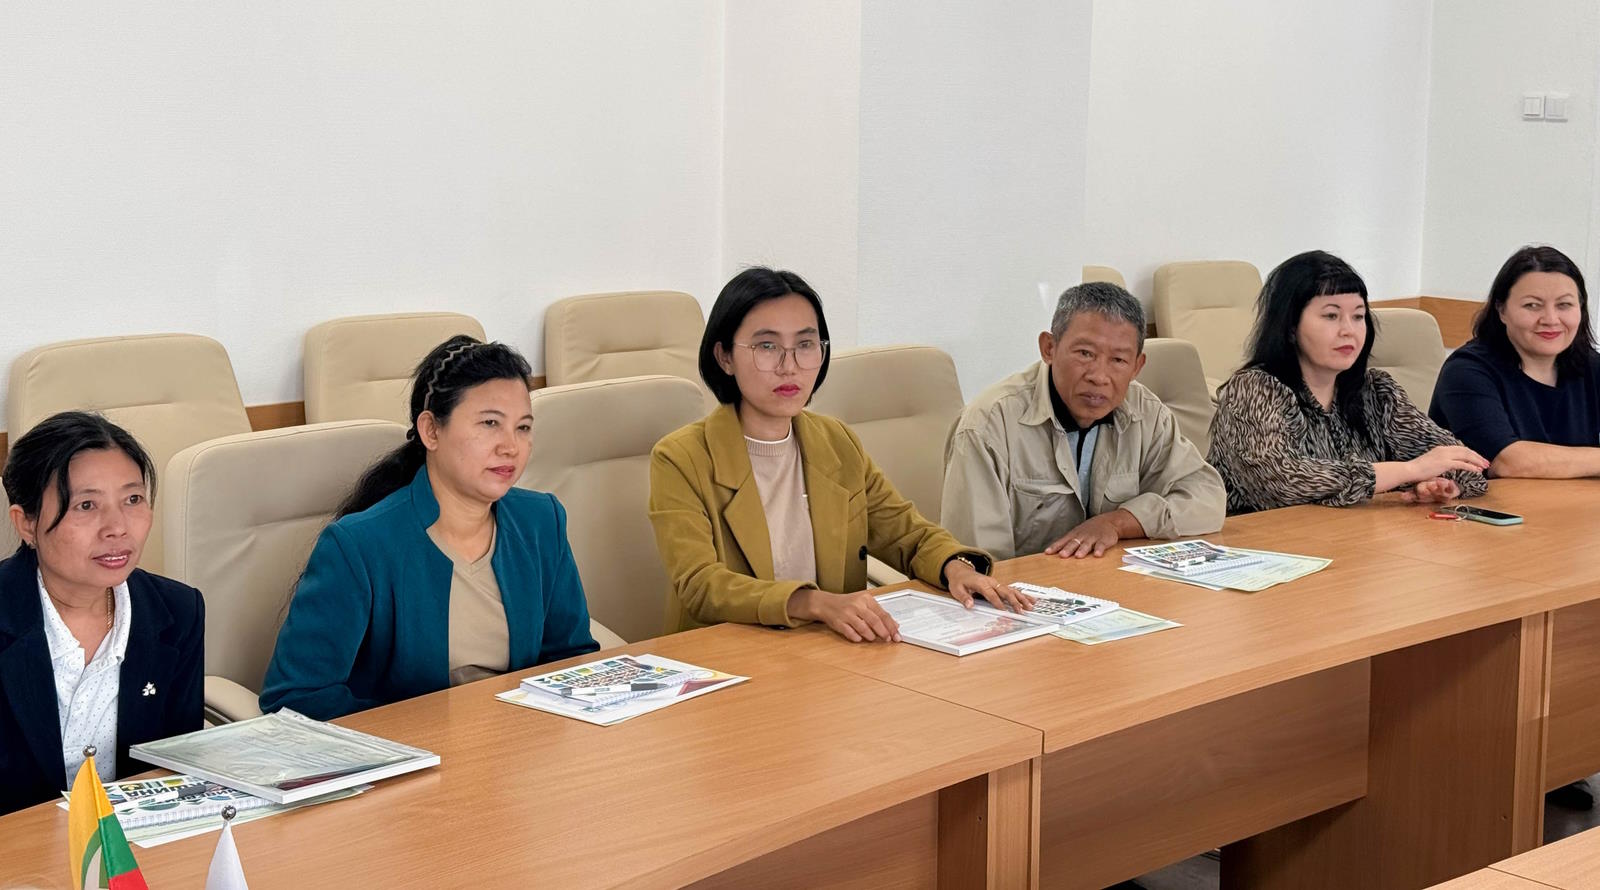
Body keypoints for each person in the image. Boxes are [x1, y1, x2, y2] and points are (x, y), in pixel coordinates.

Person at [649, 266, 1030, 643]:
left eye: (805, 345)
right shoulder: (681, 457)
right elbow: (701, 584)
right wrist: (814, 603)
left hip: (830, 650)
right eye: (767, 346)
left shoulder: (835, 440)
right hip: (727, 655)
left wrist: (955, 567)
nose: (789, 366)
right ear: (725, 357)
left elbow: (907, 533)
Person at [260, 336, 598, 720]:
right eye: (490, 423)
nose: (511, 446)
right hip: (410, 750)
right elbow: (295, 698)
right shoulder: (358, 546)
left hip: (520, 743)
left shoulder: (541, 520)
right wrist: (434, 733)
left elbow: (571, 658)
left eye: (523, 427)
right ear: (431, 431)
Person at [0, 412, 203, 816]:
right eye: (86, 505)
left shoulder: (178, 611)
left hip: (132, 842)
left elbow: (176, 770)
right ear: (27, 524)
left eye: (132, 500)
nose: (117, 527)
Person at [942, 281, 1225, 560]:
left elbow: (1207, 498)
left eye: (1118, 360)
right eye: (1085, 354)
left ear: (1137, 367)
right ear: (1049, 348)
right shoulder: (988, 426)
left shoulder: (1145, 411)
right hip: (1024, 587)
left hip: (1115, 580)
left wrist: (1117, 523)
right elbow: (976, 561)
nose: (1099, 377)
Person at [1208, 250, 1489, 513]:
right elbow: (1281, 483)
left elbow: (1467, 466)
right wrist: (1409, 471)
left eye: (1358, 316)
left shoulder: (1377, 391)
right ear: (1290, 326)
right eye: (1331, 316)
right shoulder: (1254, 389)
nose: (1348, 330)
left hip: (1354, 535)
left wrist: (1442, 486)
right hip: (1260, 541)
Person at [1429, 245, 1600, 477]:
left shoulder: (1590, 365)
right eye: (1532, 305)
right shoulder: (1466, 371)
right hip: (1486, 499)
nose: (1551, 319)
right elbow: (1507, 461)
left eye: (1564, 305)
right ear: (1501, 310)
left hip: (1568, 498)